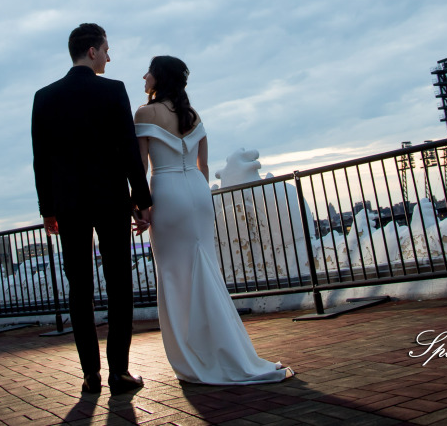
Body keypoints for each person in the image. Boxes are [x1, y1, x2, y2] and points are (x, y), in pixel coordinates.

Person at [134, 56, 293, 385]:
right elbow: (203, 167)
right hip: (197, 192)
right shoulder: (194, 116)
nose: (144, 76)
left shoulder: (144, 113)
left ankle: (193, 356)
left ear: (160, 77)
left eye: (149, 71)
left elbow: (141, 169)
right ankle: (226, 349)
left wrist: (141, 208)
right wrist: (196, 192)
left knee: (174, 276)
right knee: (205, 268)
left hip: (167, 193)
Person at [31, 23, 152, 396]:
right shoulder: (113, 91)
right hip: (111, 199)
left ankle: (89, 376)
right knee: (119, 285)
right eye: (106, 49)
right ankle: (119, 373)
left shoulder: (45, 96)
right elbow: (129, 151)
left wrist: (47, 208)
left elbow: (41, 159)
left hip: (68, 205)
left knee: (78, 288)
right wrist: (142, 200)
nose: (109, 57)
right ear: (93, 51)